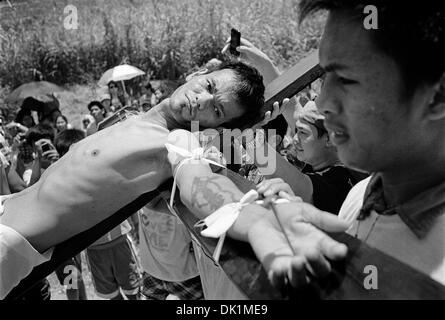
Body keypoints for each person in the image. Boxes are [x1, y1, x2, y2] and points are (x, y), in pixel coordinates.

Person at [3, 61, 315, 299]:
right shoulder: (129, 120)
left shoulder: (176, 142)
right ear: (198, 74)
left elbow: (201, 189)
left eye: (217, 110)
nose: (202, 100)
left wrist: (256, 219)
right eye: (208, 85)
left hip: (11, 242)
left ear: (219, 127)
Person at [257, 102, 365, 214]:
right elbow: (290, 104)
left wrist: (250, 135)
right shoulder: (317, 154)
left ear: (329, 139)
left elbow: (295, 188)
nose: (294, 138)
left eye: (302, 132)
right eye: (296, 130)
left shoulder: (339, 179)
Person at [52, 129, 88, 300]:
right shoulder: (51, 173)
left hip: (73, 237)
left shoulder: (80, 171)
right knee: (73, 279)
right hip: (58, 242)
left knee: (78, 276)